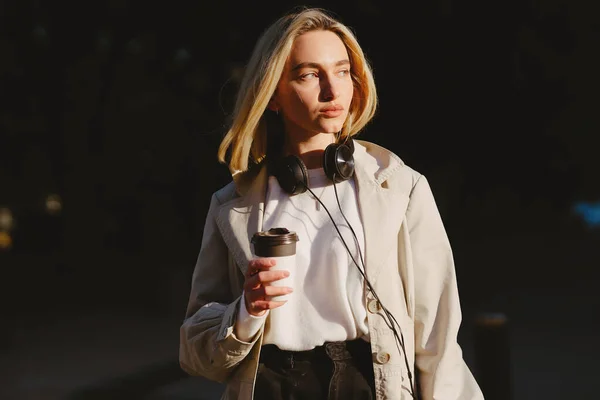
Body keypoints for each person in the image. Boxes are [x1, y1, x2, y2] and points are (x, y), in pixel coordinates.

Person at [179, 6, 484, 400]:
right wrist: (247, 310)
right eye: (309, 74)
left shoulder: (400, 188)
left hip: (371, 384)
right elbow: (195, 351)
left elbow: (437, 334)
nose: (332, 89)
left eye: (342, 71)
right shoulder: (231, 206)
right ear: (272, 94)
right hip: (268, 387)